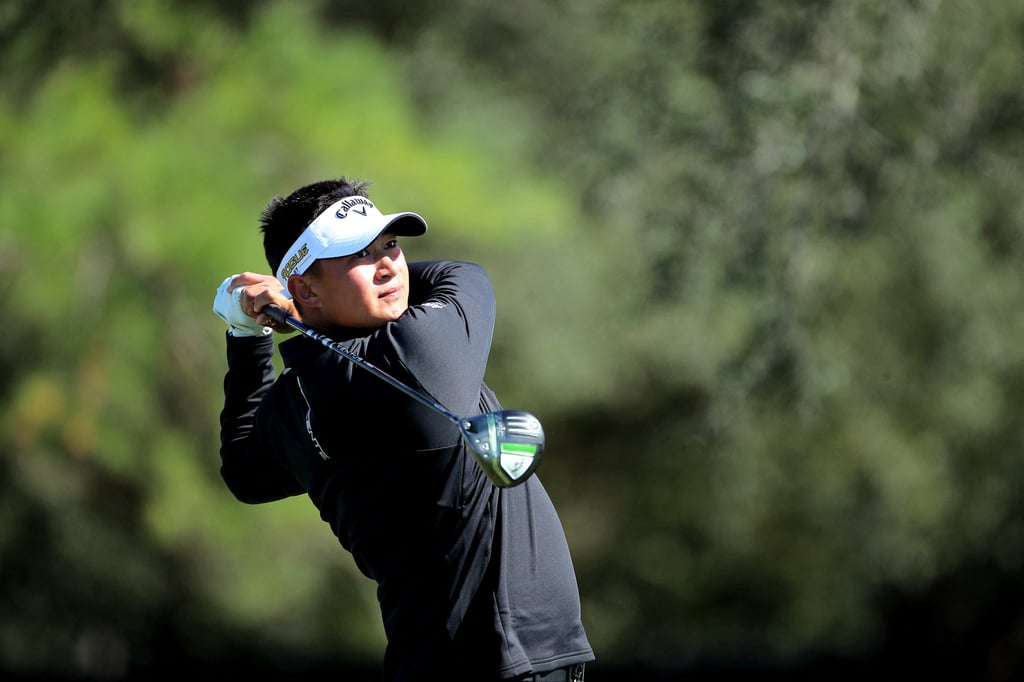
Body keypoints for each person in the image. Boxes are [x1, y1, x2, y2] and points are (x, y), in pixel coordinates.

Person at [212, 176, 594, 681]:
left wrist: (247, 334)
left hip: (425, 661)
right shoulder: (416, 353)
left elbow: (244, 471)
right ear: (304, 287)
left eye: (389, 244)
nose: (389, 264)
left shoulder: (293, 399)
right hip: (508, 663)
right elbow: (462, 274)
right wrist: (291, 306)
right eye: (359, 254)